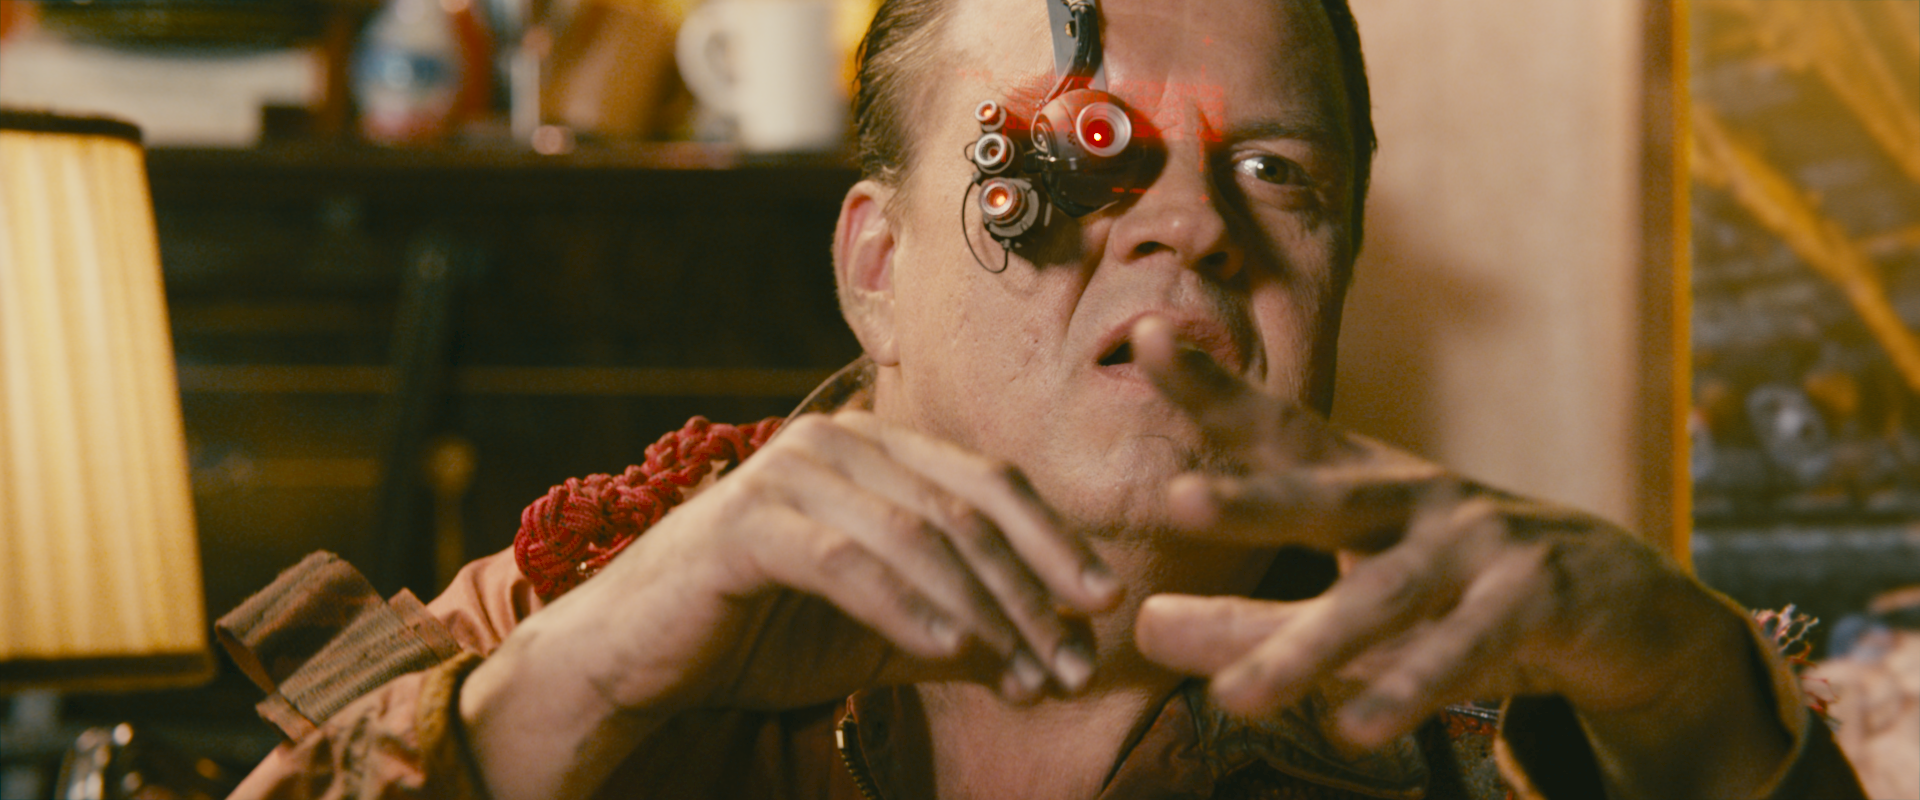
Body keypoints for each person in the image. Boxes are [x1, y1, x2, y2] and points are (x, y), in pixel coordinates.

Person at [224, 0, 1866, 797]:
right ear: (877, 269)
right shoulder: (571, 614)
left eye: (1274, 174)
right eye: (1086, 156)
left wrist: (1687, 681)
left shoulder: (1517, 717)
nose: (1195, 225)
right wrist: (571, 690)